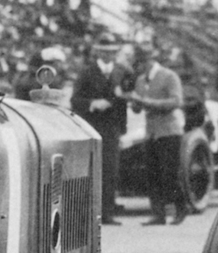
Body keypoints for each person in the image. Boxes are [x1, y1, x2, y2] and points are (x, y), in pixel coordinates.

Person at [71, 33, 129, 224]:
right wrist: (93, 103)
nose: (108, 55)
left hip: (112, 128)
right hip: (93, 126)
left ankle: (107, 213)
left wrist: (122, 128)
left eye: (112, 52)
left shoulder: (122, 72)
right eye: (104, 51)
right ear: (97, 52)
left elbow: (127, 98)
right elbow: (75, 100)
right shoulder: (87, 72)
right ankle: (90, 214)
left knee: (111, 170)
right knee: (92, 169)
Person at [127, 45, 187, 225]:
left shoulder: (169, 76)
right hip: (151, 133)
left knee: (170, 173)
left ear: (149, 61)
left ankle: (180, 209)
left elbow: (176, 101)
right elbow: (138, 108)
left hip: (169, 131)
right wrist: (135, 104)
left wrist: (146, 102)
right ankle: (158, 214)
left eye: (140, 63)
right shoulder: (139, 81)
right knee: (152, 174)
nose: (138, 68)